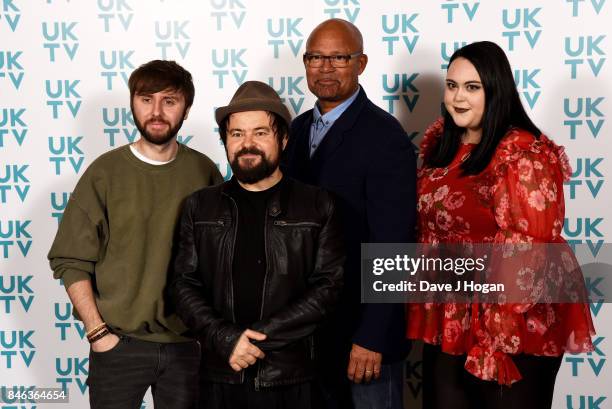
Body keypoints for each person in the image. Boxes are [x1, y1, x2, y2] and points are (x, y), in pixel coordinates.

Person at [406, 41, 595, 409]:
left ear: (497, 90)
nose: (458, 97)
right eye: (452, 85)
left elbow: (531, 246)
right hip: (455, 310)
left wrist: (496, 331)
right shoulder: (442, 147)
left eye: (472, 87)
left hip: (514, 315)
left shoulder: (524, 153)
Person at [48, 59, 223, 409]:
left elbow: (221, 260)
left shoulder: (204, 172)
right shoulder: (105, 173)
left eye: (169, 101)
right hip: (118, 345)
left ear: (186, 109)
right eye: (146, 99)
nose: (156, 111)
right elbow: (70, 259)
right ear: (132, 104)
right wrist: (98, 333)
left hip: (187, 348)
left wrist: (210, 333)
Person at [169, 81, 345, 409]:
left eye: (260, 132)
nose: (247, 143)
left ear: (284, 138)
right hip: (220, 376)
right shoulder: (199, 206)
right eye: (237, 134)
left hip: (294, 378)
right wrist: (227, 340)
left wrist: (255, 339)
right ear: (225, 140)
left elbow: (328, 289)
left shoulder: (319, 205)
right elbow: (183, 285)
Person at [282, 18, 417, 409]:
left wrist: (372, 335)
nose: (325, 68)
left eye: (338, 57)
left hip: (363, 337)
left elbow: (394, 246)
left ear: (361, 63)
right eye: (315, 57)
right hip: (310, 336)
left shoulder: (384, 136)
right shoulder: (298, 129)